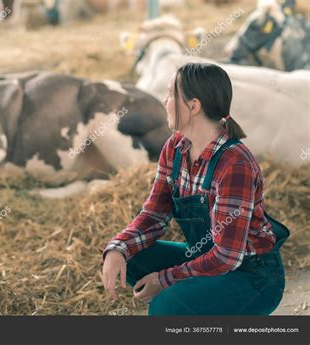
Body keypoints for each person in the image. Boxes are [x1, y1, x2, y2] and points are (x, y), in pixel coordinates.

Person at [101, 62, 290, 315]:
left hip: (252, 276)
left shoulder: (235, 164)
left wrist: (165, 279)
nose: (165, 101)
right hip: (204, 256)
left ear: (193, 106)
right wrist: (118, 248)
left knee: (166, 307)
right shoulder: (176, 146)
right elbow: (154, 214)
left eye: (170, 94)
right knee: (130, 257)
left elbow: (226, 257)